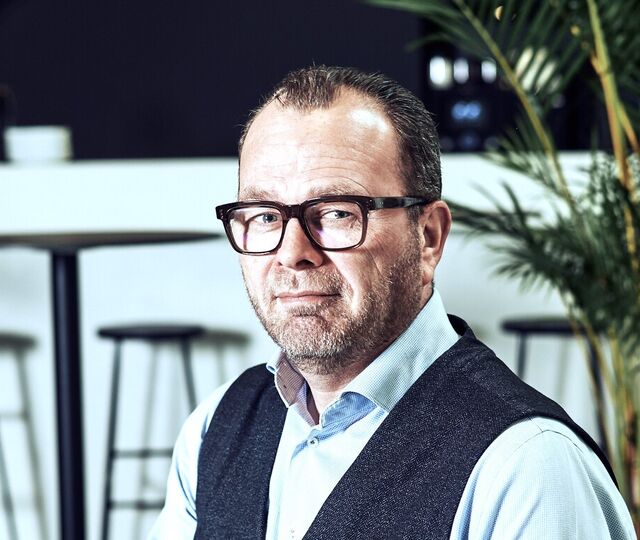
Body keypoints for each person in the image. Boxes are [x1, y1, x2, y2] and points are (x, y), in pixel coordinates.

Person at [149, 65, 635, 539]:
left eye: (337, 212)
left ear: (428, 237)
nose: (293, 253)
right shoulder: (214, 430)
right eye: (265, 216)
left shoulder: (525, 469)